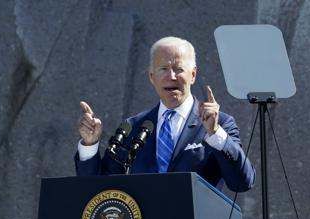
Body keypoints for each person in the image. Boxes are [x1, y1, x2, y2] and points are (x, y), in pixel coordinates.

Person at [75, 36, 255, 192]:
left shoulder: (220, 124)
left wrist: (215, 133)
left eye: (179, 69)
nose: (172, 76)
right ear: (151, 77)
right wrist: (90, 144)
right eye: (163, 69)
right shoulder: (134, 127)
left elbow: (242, 182)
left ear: (193, 75)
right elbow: (99, 187)